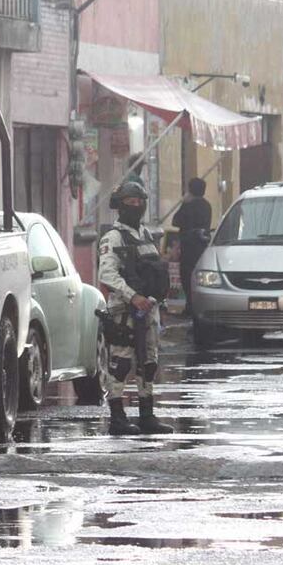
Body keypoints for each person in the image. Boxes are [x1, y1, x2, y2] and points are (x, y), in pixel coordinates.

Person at [96, 181, 175, 436]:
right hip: (124, 311)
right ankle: (117, 418)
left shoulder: (146, 236)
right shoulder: (113, 237)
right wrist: (133, 297)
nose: (136, 207)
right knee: (120, 364)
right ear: (119, 206)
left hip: (148, 311)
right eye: (130, 203)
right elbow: (106, 274)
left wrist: (153, 299)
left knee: (148, 362)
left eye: (139, 202)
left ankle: (147, 415)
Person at [172, 177, 212, 315]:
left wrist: (184, 203)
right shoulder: (207, 205)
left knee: (187, 277)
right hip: (202, 247)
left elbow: (176, 221)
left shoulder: (189, 205)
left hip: (189, 247)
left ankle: (190, 306)